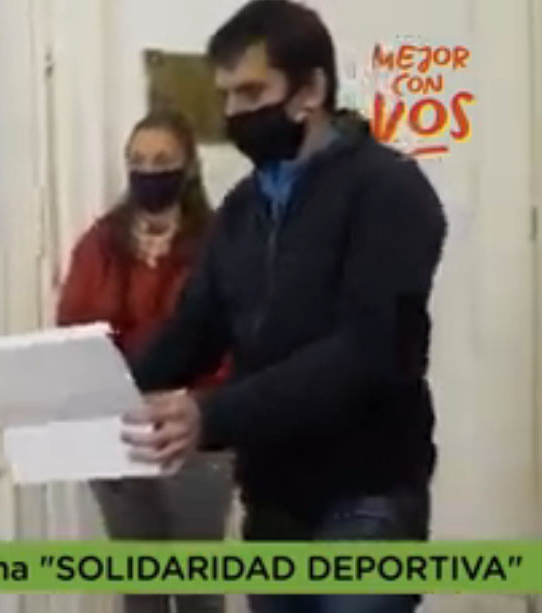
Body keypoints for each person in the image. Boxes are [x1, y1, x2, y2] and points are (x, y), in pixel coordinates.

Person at [120, 2, 447, 612]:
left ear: (311, 91)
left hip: (366, 498)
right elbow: (197, 328)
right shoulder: (242, 209)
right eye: (226, 95)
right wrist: (99, 385)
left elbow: (364, 352)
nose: (234, 113)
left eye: (251, 92)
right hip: (272, 502)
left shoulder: (390, 191)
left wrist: (210, 415)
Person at [57, 109, 234, 613]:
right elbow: (72, 327)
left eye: (162, 160)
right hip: (117, 433)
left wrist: (203, 402)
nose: (148, 172)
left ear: (189, 167)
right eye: (137, 161)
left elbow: (235, 334)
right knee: (140, 589)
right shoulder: (101, 243)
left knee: (199, 591)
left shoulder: (218, 241)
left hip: (195, 433)